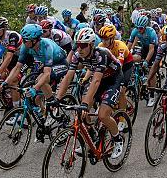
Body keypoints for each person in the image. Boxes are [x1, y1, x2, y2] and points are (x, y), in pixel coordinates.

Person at [54, 27, 125, 160]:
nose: (79, 49)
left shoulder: (101, 54)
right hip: (100, 79)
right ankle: (92, 134)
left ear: (91, 45)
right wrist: (57, 99)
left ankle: (118, 139)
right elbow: (68, 77)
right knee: (80, 112)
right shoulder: (77, 55)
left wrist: (86, 104)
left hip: (113, 79)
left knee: (103, 115)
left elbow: (96, 80)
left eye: (83, 45)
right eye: (77, 45)